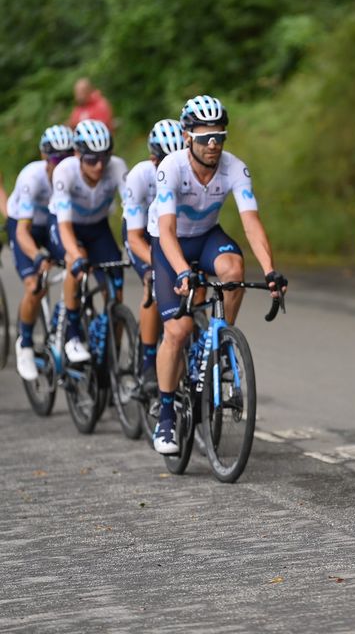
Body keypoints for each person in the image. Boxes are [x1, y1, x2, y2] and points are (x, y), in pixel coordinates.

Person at [149, 95, 287, 455]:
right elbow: (165, 231)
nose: (213, 144)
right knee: (177, 330)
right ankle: (165, 416)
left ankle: (222, 340)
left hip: (208, 236)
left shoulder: (234, 168)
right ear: (186, 137)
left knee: (234, 270)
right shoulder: (171, 168)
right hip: (171, 242)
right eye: (205, 137)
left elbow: (251, 224)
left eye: (220, 137)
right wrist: (182, 271)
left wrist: (270, 270)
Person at [50, 119, 128, 364]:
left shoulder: (116, 167)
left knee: (116, 288)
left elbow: (133, 213)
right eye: (92, 159)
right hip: (67, 226)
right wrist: (78, 256)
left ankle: (112, 357)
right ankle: (73, 335)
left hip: (98, 228)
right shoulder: (65, 170)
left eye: (104, 158)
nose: (99, 165)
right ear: (77, 154)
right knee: (76, 263)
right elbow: (63, 225)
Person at [121, 119, 187, 392]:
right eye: (165, 161)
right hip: (142, 237)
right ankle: (148, 362)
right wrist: (160, 266)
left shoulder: (190, 172)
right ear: (153, 160)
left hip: (172, 233)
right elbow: (134, 237)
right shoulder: (140, 176)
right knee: (154, 283)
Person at [6, 126, 73, 380]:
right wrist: (37, 255)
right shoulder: (31, 178)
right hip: (26, 227)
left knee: (75, 263)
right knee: (35, 284)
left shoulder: (72, 177)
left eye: (68, 158)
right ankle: (24, 343)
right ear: (45, 158)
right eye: (56, 159)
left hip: (52, 225)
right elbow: (22, 232)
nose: (62, 165)